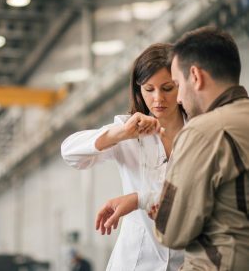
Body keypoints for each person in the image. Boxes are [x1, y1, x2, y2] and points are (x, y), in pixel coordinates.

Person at [98, 26, 249, 270]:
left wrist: (147, 202)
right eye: (149, 89)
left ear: (196, 77)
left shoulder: (201, 133)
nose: (174, 98)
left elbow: (173, 230)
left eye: (174, 85)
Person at [61, 43, 184, 271]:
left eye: (168, 88)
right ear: (139, 90)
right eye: (149, 89)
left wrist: (138, 199)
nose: (158, 99)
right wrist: (122, 133)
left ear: (182, 85)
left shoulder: (199, 133)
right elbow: (70, 153)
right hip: (134, 262)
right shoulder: (127, 132)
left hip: (185, 261)